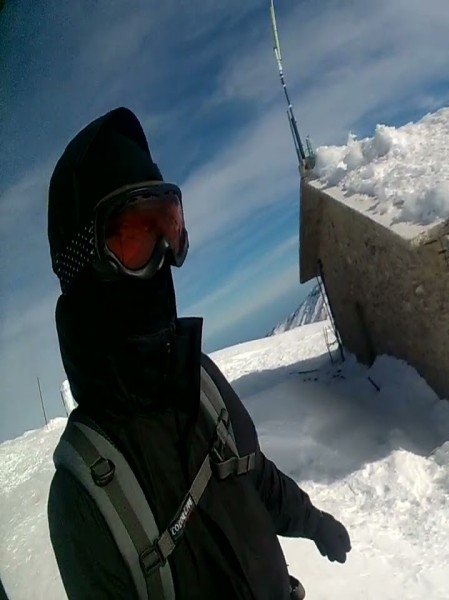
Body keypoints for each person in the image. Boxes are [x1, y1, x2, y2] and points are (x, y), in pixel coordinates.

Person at [46, 107, 351, 599]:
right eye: (135, 236)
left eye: (168, 227)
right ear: (83, 263)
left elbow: (253, 475)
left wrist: (313, 522)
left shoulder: (201, 381)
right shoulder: (84, 496)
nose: (164, 256)